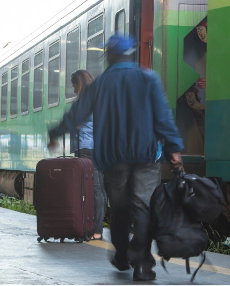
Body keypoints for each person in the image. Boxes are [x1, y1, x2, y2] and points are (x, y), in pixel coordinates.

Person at [48, 35, 184, 281]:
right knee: (143, 207)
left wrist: (55, 133)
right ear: (130, 54)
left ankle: (122, 254)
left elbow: (76, 114)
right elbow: (163, 117)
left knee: (120, 209)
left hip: (114, 158)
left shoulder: (99, 84)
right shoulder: (148, 78)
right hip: (146, 156)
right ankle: (142, 264)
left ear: (110, 55)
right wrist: (174, 149)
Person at [69, 70, 106, 241]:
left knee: (95, 190)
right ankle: (93, 228)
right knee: (96, 190)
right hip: (94, 148)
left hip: (87, 148)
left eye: (74, 86)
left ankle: (96, 230)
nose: (74, 89)